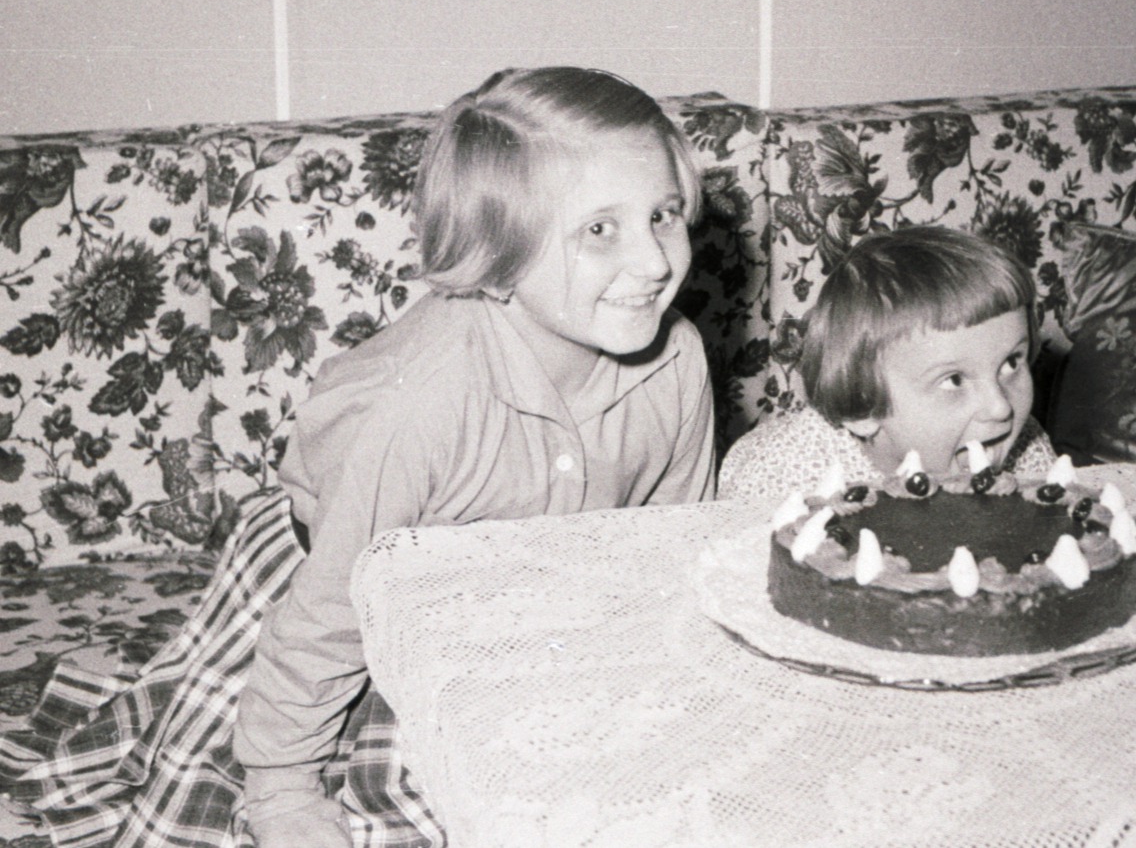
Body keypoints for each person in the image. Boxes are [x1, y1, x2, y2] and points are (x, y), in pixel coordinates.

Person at [1, 67, 717, 848]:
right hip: (340, 598)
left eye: (664, 214)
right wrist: (282, 791)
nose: (654, 261)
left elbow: (672, 554)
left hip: (517, 605)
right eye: (600, 230)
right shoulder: (418, 403)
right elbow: (328, 613)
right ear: (497, 253)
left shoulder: (675, 360)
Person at [720, 225, 1056, 500]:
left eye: (1011, 363)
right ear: (862, 409)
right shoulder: (784, 479)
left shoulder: (1024, 450)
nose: (1000, 407)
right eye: (954, 379)